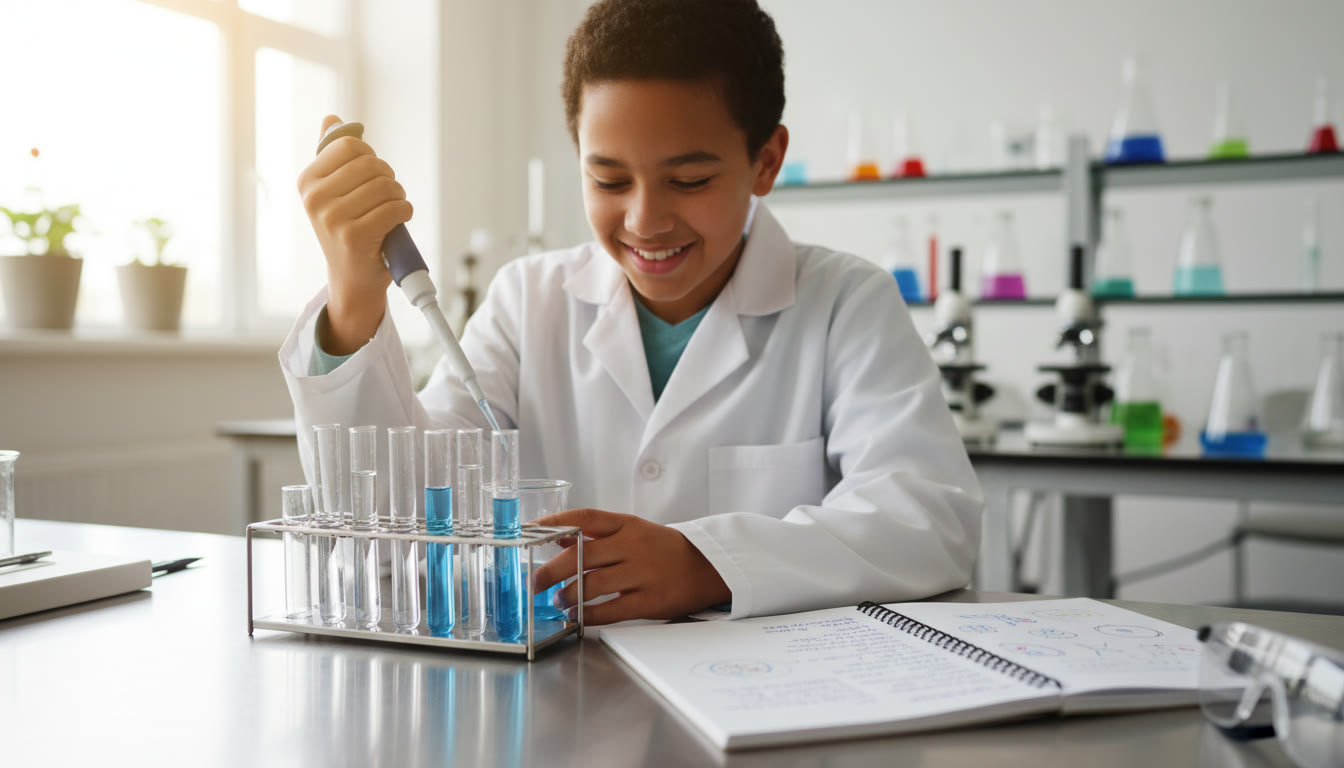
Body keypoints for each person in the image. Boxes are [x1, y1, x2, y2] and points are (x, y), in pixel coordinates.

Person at [281, 0, 981, 625]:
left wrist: (706, 561)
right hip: (565, 703)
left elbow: (928, 518)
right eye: (608, 179)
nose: (645, 220)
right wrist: (354, 297)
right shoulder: (529, 301)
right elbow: (401, 514)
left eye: (690, 179)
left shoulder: (844, 302)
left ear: (766, 162)